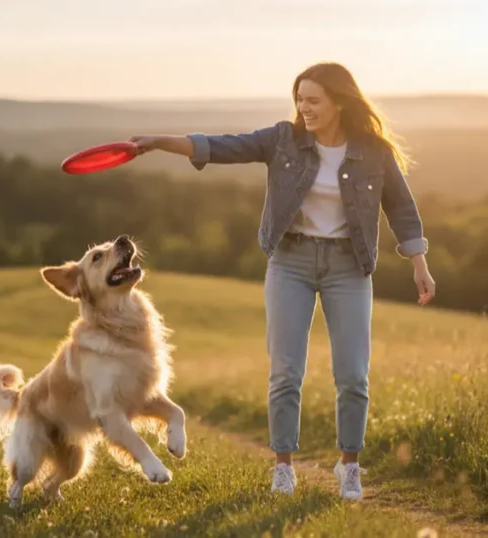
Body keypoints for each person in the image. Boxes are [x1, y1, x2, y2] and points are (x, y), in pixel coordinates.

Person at [127, 62, 435, 501]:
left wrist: (419, 263)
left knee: (353, 374)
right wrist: (160, 142)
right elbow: (222, 146)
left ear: (339, 102)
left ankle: (349, 465)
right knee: (286, 371)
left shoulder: (373, 151)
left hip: (349, 267)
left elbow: (402, 208)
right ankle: (283, 468)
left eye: (313, 100)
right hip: (291, 262)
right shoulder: (283, 139)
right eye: (299, 99)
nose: (303, 108)